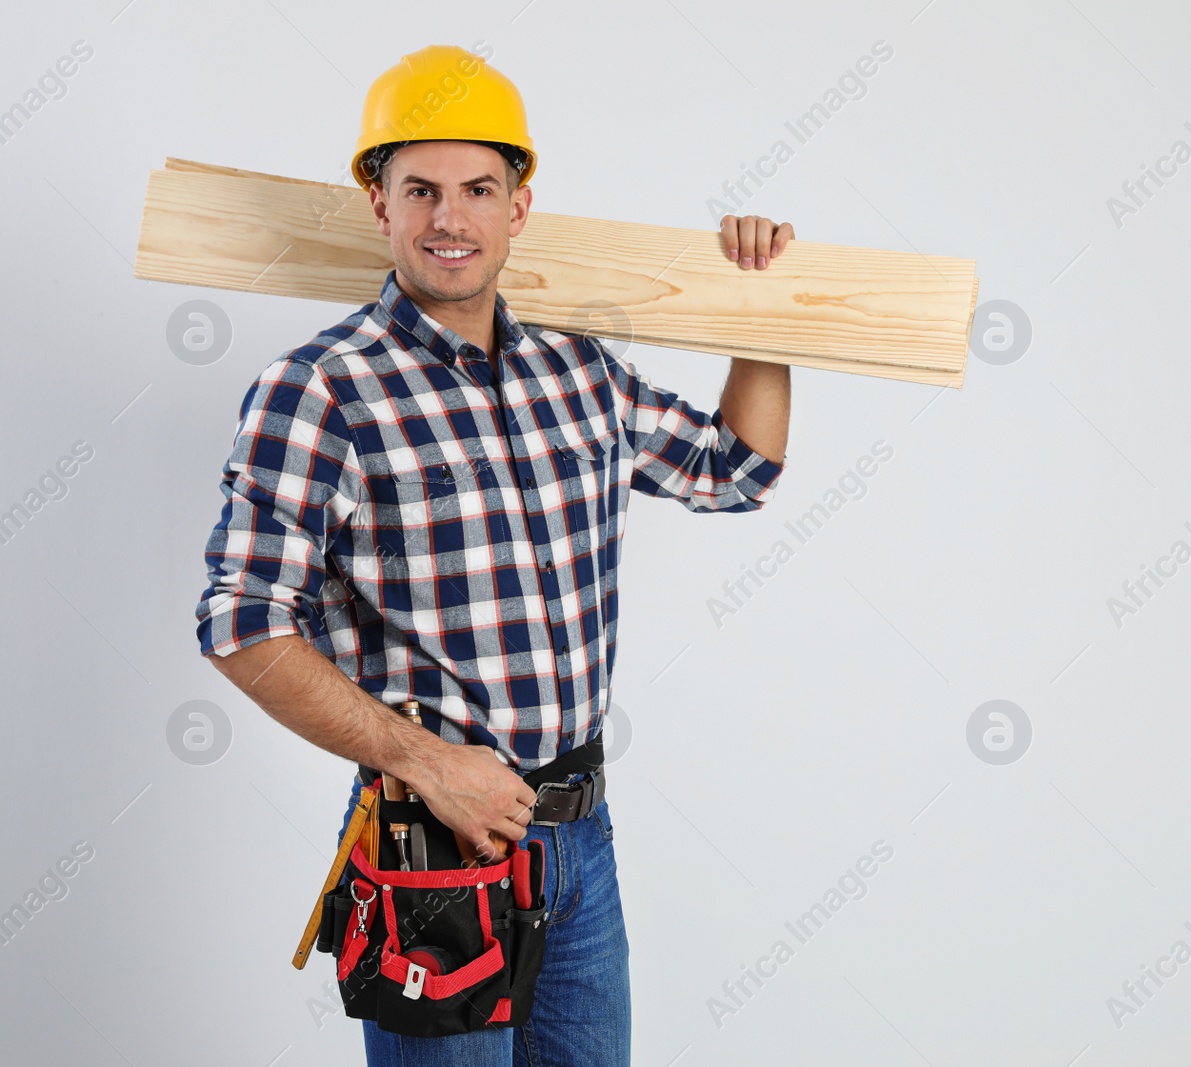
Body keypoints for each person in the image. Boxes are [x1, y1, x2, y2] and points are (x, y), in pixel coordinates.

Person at [194, 43, 792, 1066]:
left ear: (519, 205)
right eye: (418, 188)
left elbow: (736, 469)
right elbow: (240, 623)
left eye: (478, 188)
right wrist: (427, 763)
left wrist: (762, 308)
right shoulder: (322, 390)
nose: (448, 218)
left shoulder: (580, 369)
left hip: (580, 843)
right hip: (433, 847)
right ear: (376, 203)